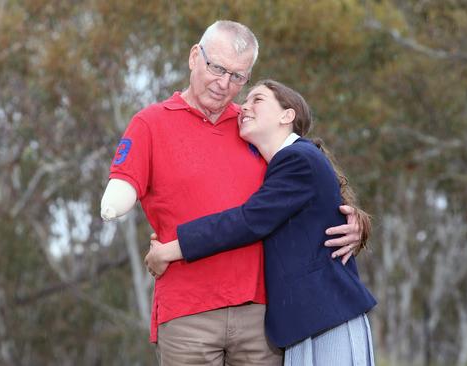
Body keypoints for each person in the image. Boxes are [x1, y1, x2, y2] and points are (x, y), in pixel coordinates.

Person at [101, 20, 366, 365]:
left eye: (238, 77)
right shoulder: (151, 122)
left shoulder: (251, 125)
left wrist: (355, 220)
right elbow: (125, 181)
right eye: (217, 68)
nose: (224, 84)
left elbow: (303, 190)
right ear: (195, 56)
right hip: (187, 313)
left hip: (263, 314)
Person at [145, 80, 376, 365]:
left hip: (327, 317)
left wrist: (170, 250)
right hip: (309, 321)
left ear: (286, 116)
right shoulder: (293, 161)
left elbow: (248, 221)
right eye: (246, 100)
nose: (245, 106)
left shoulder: (297, 159)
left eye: (258, 100)